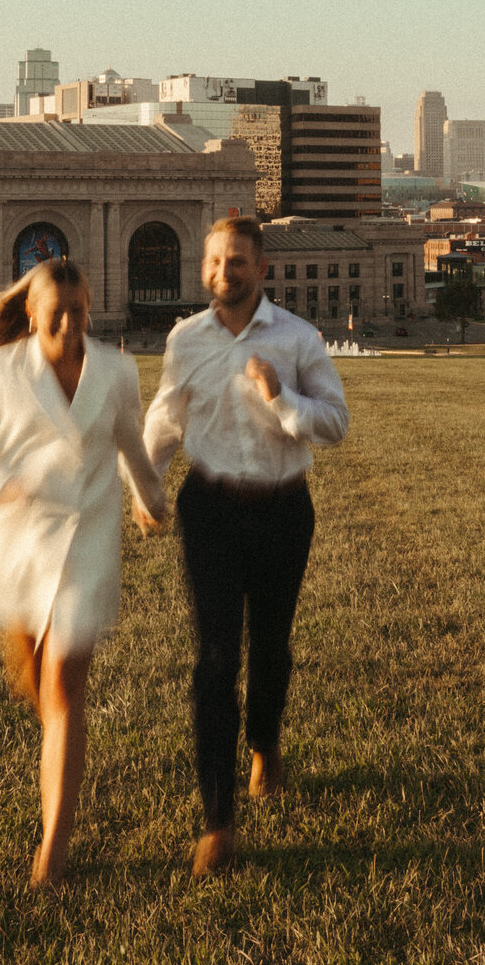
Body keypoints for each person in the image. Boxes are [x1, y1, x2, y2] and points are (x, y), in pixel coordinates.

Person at [0, 258, 169, 887]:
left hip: (86, 545)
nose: (70, 324)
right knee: (37, 688)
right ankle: (51, 738)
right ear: (34, 312)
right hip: (20, 544)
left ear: (91, 309)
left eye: (80, 312)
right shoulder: (0, 369)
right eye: (58, 313)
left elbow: (131, 443)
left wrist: (153, 501)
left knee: (66, 688)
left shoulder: (117, 371)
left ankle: (54, 846)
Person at [138, 216, 349, 877]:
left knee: (272, 646)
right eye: (215, 262)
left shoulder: (298, 339)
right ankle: (218, 822)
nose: (223, 273)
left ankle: (264, 742)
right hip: (210, 511)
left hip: (285, 510)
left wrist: (281, 396)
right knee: (213, 659)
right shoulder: (186, 340)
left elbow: (336, 423)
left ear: (263, 270)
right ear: (203, 270)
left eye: (238, 262)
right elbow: (165, 420)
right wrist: (146, 488)